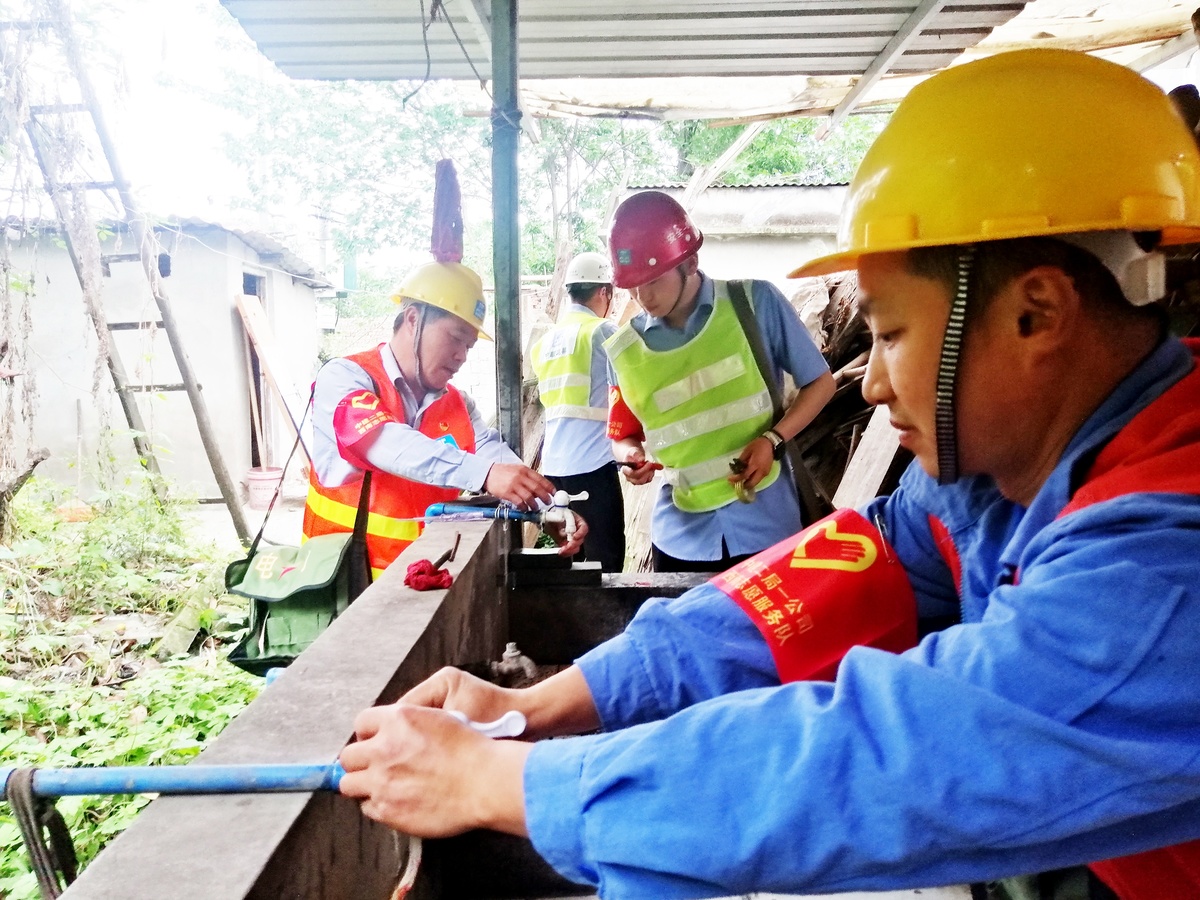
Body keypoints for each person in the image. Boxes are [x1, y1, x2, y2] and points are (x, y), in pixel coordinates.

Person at [337, 50, 1200, 899]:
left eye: (892, 335)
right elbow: (807, 592)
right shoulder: (992, 480)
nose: (872, 383)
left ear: (1036, 314)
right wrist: (538, 707)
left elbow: (872, 758)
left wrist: (506, 783)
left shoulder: (1164, 570)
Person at [303, 260, 585, 578]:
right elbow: (385, 442)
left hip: (425, 583)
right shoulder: (344, 378)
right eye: (455, 338)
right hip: (343, 589)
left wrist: (552, 509)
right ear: (413, 319)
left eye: (468, 346)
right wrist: (483, 473)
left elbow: (494, 457)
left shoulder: (457, 405)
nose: (461, 355)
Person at [604, 190, 836, 572]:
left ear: (690, 262)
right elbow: (623, 435)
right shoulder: (623, 352)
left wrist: (773, 439)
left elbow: (821, 384)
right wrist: (630, 457)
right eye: (632, 286)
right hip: (680, 539)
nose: (643, 296)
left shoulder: (754, 303)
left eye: (654, 280)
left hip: (766, 525)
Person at [530, 251, 625, 572]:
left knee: (571, 561)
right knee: (606, 565)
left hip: (554, 469)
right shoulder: (601, 331)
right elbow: (630, 391)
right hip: (592, 467)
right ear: (604, 292)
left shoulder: (543, 344)